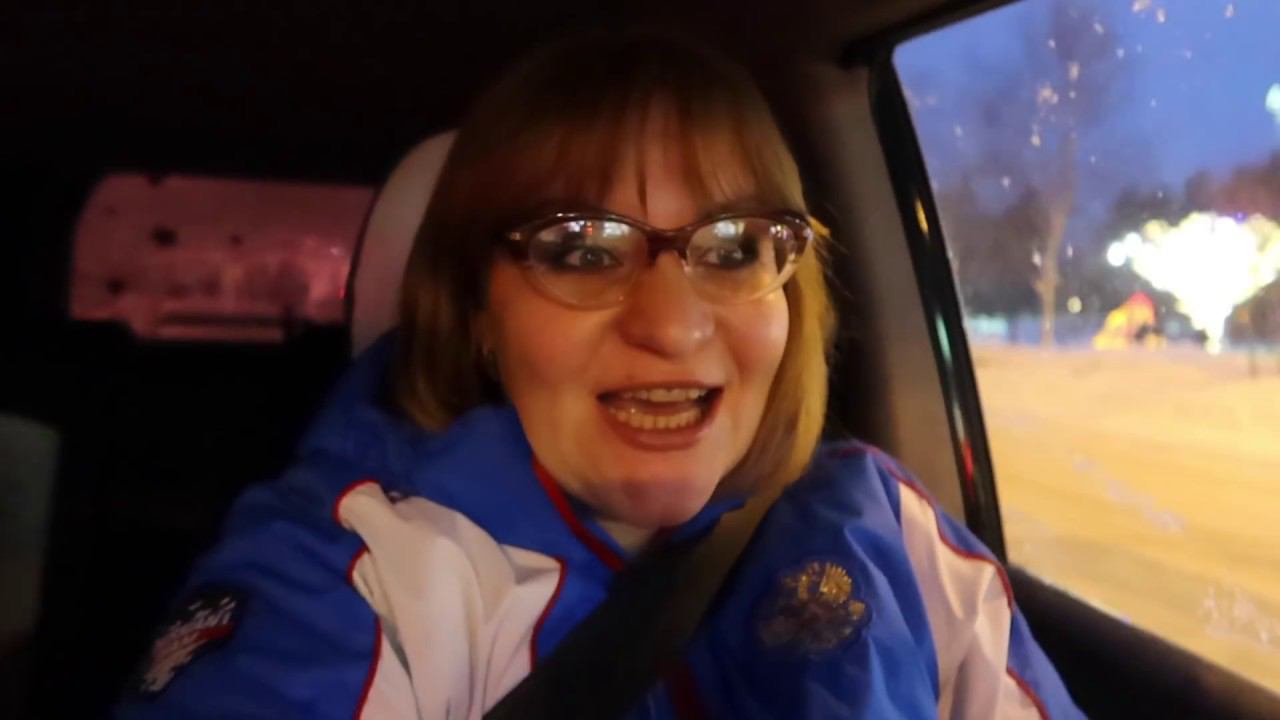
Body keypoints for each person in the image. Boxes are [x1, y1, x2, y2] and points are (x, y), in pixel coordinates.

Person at [115, 32, 1082, 719]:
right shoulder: (365, 574)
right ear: (479, 312)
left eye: (733, 247)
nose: (672, 324)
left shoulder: (893, 532)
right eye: (582, 250)